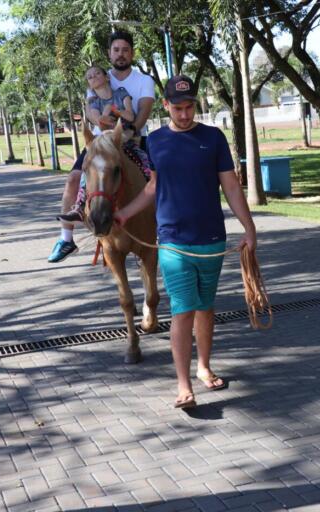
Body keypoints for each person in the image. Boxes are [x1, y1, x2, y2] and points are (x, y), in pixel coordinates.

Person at [114, 75, 257, 409]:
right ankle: (183, 386)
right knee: (183, 310)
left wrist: (248, 229)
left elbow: (231, 187)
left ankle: (204, 367)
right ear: (166, 106)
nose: (184, 113)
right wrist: (124, 214)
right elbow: (152, 188)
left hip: (211, 240)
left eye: (189, 106)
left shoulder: (213, 138)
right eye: (177, 108)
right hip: (173, 242)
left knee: (205, 308)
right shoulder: (156, 142)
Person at [48, 31, 155, 263]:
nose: (121, 54)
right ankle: (66, 237)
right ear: (109, 53)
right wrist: (101, 120)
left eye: (125, 49)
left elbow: (144, 109)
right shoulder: (98, 77)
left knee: (158, 180)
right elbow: (91, 112)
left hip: (133, 137)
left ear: (132, 53)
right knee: (73, 178)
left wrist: (131, 131)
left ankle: (165, 225)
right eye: (116, 50)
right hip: (100, 142)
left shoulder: (143, 80)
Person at [57, 65, 152, 223]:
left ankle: (156, 198)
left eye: (97, 73)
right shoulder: (94, 102)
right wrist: (107, 114)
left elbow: (130, 115)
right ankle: (80, 206)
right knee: (87, 169)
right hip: (105, 142)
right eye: (90, 77)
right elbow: (101, 122)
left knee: (145, 163)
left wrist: (114, 110)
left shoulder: (121, 93)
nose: (94, 77)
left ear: (107, 77)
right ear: (89, 84)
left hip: (128, 140)